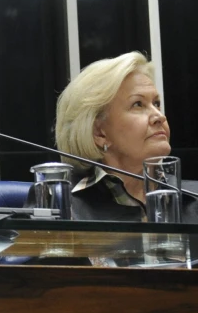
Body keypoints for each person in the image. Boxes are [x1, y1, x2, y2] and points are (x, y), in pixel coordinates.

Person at [53, 51, 197, 221]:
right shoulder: (61, 203)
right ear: (99, 133)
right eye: (138, 104)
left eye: (156, 104)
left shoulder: (193, 197)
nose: (159, 116)